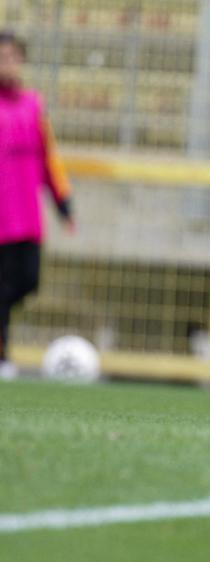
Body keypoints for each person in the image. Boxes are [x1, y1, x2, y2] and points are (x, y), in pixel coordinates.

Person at [0, 31, 75, 379]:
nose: (8, 63)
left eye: (13, 56)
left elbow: (49, 158)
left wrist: (63, 204)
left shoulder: (33, 104)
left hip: (26, 216)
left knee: (27, 281)